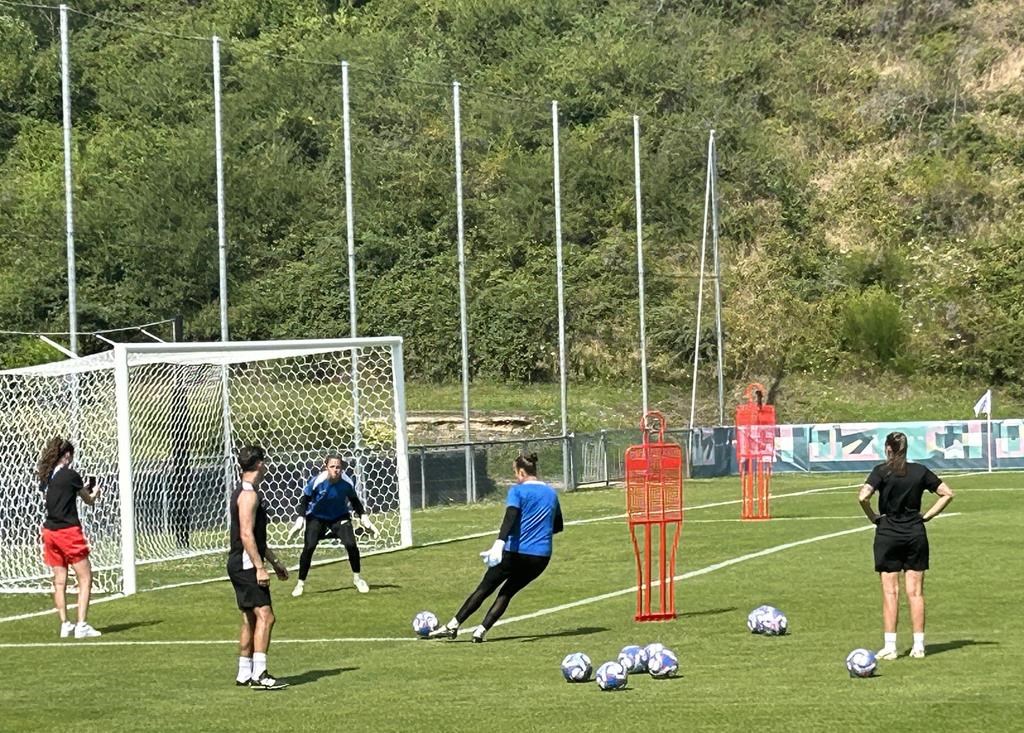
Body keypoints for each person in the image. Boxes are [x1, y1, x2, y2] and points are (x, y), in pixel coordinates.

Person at [429, 452, 563, 643]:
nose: (516, 477)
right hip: (541, 558)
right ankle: (481, 631)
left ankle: (453, 626)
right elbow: (557, 526)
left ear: (522, 472)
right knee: (507, 592)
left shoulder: (518, 491)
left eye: (516, 473)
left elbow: (510, 517)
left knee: (484, 588)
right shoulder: (551, 493)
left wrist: (499, 543)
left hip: (515, 552)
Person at [857, 431, 954, 660]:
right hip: (914, 534)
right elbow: (947, 493)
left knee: (890, 592)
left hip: (888, 534)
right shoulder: (920, 471)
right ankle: (918, 645)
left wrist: (872, 516)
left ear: (888, 449)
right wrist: (927, 516)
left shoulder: (881, 471)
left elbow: (863, 497)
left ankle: (890, 646)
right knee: (916, 592)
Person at [228, 445, 290, 689]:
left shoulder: (245, 491)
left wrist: (274, 562)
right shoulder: (249, 495)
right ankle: (260, 674)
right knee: (266, 616)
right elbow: (246, 534)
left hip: (240, 562)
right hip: (245, 564)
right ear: (260, 464)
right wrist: (260, 568)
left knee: (249, 619)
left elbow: (255, 536)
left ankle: (244, 672)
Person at [38, 437, 103, 639]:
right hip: (68, 531)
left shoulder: (47, 477)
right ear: (66, 455)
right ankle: (81, 625)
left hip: (49, 532)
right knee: (85, 577)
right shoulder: (71, 475)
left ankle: (65, 624)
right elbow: (88, 500)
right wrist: (95, 493)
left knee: (59, 581)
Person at [289, 454, 379, 597]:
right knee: (309, 546)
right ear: (326, 467)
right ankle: (300, 583)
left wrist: (364, 517)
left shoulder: (347, 482)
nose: (335, 470)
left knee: (351, 544)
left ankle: (357, 579)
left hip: (339, 517)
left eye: (338, 467)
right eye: (332, 466)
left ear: (342, 468)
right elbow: (305, 499)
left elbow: (354, 501)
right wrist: (300, 519)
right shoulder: (317, 481)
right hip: (317, 517)